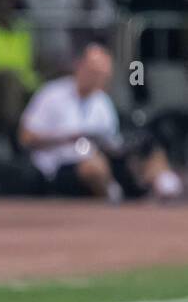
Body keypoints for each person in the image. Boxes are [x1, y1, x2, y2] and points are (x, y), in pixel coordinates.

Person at [19, 43, 182, 201]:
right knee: (93, 167)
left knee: (147, 149)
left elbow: (110, 140)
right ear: (80, 66)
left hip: (101, 157)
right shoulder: (51, 94)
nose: (98, 79)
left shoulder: (102, 101)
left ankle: (163, 184)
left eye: (103, 75)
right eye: (94, 72)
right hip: (60, 164)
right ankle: (113, 200)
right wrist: (68, 137)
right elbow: (25, 137)